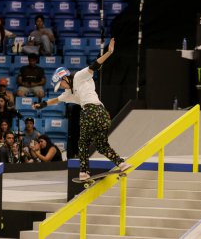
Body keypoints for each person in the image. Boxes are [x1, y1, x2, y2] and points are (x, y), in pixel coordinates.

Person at [32, 38, 131, 180]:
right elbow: (56, 100)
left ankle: (84, 172)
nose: (62, 87)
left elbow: (94, 65)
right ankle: (121, 163)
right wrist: (41, 105)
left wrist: (109, 52)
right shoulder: (69, 93)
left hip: (91, 112)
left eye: (61, 84)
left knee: (83, 143)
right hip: (103, 115)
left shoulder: (79, 76)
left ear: (65, 78)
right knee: (102, 146)